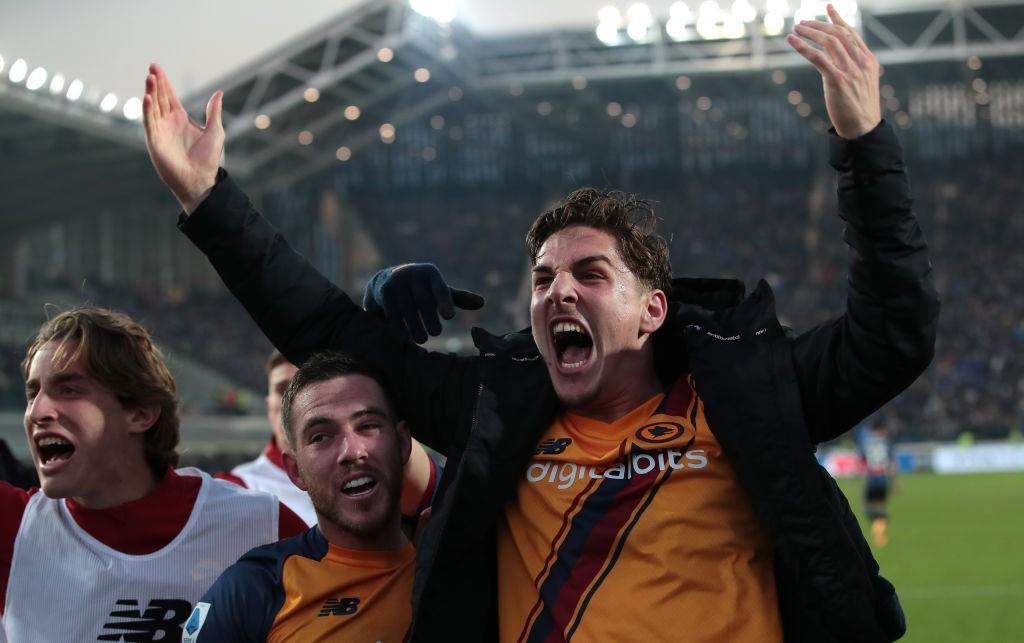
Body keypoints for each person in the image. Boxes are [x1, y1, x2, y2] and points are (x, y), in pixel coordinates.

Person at [144, 6, 939, 641]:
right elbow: (330, 328)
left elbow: (893, 334)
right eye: (543, 278)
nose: (557, 291)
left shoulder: (744, 392)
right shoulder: (500, 410)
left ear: (651, 310)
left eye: (590, 274)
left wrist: (863, 144)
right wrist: (211, 203)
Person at [0, 307, 306, 641]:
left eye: (69, 390)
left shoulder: (261, 525)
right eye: (33, 393)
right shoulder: (13, 525)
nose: (37, 412)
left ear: (140, 413)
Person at [182, 351, 417, 642]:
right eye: (321, 437)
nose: (352, 451)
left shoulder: (464, 562)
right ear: (295, 470)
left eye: (368, 425)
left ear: (404, 443)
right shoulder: (253, 590)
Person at [216, 350, 440, 528]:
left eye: (305, 386)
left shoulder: (388, 462)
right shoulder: (235, 490)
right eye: (283, 389)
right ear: (269, 406)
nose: (294, 400)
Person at [859, 417, 896, 547]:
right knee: (881, 508)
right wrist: (894, 483)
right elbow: (891, 464)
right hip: (883, 480)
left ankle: (878, 532)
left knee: (866, 507)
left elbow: (861, 461)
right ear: (880, 429)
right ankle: (880, 531)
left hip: (871, 479)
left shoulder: (866, 443)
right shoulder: (886, 443)